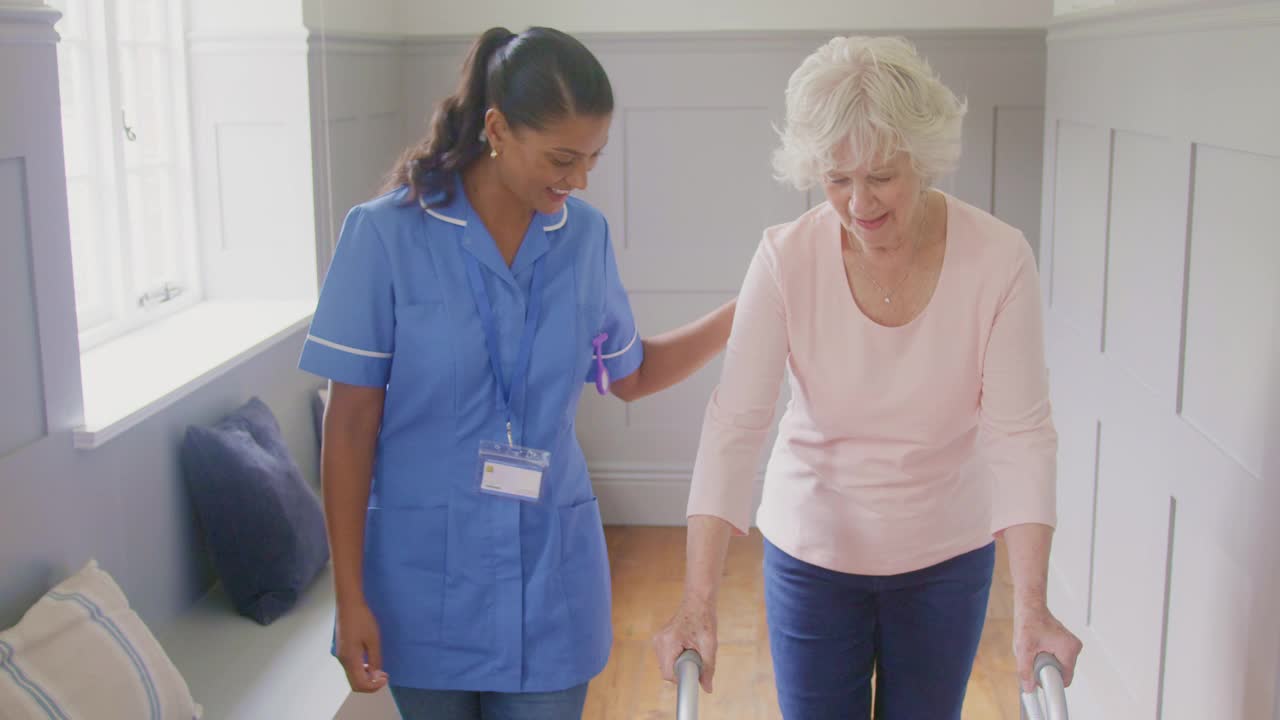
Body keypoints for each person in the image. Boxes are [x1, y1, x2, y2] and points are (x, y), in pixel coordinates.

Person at [299, 26, 735, 720]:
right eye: (561, 157)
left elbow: (629, 373)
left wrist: (744, 314)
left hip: (550, 585)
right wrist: (349, 597)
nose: (580, 178)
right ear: (497, 129)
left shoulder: (583, 237)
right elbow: (348, 427)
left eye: (593, 157)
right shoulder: (383, 237)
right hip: (420, 586)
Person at [652, 35, 1082, 719]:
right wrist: (696, 603)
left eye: (880, 175)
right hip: (813, 555)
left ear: (924, 156)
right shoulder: (784, 258)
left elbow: (1021, 435)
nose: (856, 203)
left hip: (946, 556)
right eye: (835, 177)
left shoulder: (999, 261)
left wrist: (1032, 606)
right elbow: (736, 425)